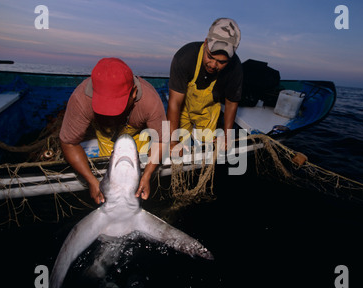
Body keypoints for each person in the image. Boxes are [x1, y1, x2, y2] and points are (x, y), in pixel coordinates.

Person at [59, 57, 167, 204]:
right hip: (104, 135)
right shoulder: (81, 99)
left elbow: (162, 140)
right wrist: (91, 180)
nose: (110, 114)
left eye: (117, 107)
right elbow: (68, 143)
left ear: (134, 93)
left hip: (137, 135)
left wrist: (147, 175)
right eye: (103, 107)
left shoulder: (150, 100)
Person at [167, 17, 243, 149]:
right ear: (206, 42)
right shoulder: (185, 57)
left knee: (208, 148)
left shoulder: (236, 69)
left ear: (231, 58)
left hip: (208, 111)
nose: (213, 65)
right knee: (181, 146)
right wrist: (173, 141)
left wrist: (227, 136)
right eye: (210, 57)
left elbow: (231, 103)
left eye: (221, 62)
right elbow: (175, 102)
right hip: (184, 107)